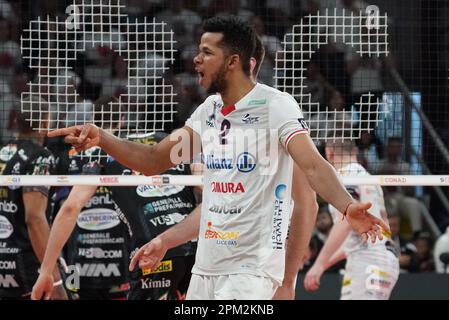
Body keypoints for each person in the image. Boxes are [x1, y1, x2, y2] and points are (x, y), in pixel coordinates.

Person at [48, 16, 389, 300]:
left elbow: (314, 167)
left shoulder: (276, 106)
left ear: (233, 61)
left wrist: (345, 206)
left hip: (251, 271)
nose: (195, 59)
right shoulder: (208, 111)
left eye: (206, 52)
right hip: (206, 270)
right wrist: (104, 138)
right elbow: (153, 160)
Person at [31, 97, 202, 300]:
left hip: (152, 255)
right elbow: (205, 190)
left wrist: (46, 271)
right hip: (196, 251)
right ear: (122, 120)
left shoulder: (103, 153)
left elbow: (71, 207)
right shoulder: (167, 142)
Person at [304, 132, 399, 299]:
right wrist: (321, 265)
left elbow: (348, 222)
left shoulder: (346, 176)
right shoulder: (367, 179)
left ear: (329, 153)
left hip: (368, 262)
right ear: (355, 150)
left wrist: (318, 265)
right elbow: (355, 241)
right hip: (383, 260)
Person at [0, 95, 67, 300]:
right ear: (46, 123)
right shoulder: (41, 156)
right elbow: (35, 218)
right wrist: (54, 278)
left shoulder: (3, 152)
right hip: (26, 263)